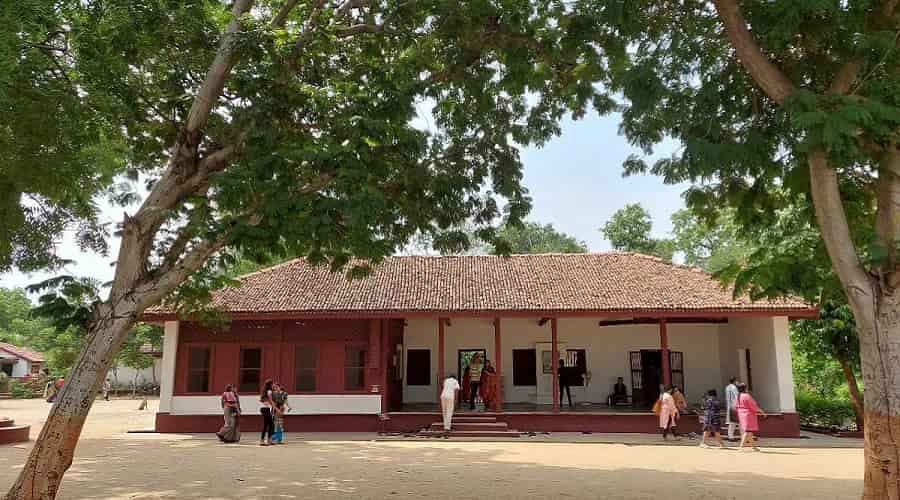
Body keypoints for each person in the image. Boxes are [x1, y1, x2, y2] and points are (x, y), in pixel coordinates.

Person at [736, 383, 767, 451]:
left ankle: (753, 447)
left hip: (741, 414)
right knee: (748, 431)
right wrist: (762, 412)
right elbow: (754, 406)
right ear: (745, 388)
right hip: (748, 415)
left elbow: (736, 406)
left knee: (749, 432)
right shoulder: (746, 396)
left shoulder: (738, 396)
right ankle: (741, 447)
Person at [259, 379, 275, 446]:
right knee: (272, 424)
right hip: (266, 409)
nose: (273, 385)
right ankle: (269, 440)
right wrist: (275, 408)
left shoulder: (264, 391)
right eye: (272, 384)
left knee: (266, 425)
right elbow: (270, 400)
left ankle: (262, 440)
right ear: (270, 384)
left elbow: (262, 400)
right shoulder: (269, 391)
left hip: (263, 409)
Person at [725, 377, 740, 441]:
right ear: (734, 381)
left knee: (732, 423)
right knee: (740, 422)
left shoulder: (727, 387)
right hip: (735, 406)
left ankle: (730, 436)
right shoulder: (734, 387)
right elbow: (737, 396)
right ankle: (744, 436)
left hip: (729, 406)